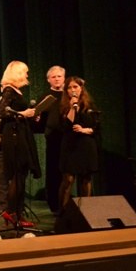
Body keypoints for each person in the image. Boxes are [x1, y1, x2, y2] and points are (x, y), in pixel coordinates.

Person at [0, 60, 41, 228]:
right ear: (17, 73)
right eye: (24, 72)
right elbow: (2, 112)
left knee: (20, 176)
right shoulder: (9, 90)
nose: (27, 75)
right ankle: (12, 212)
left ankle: (16, 214)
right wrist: (23, 113)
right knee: (18, 176)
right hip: (13, 137)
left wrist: (30, 116)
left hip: (20, 134)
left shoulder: (15, 91)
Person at [58, 76, 100, 211]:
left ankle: (85, 211)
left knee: (86, 179)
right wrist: (72, 108)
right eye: (69, 88)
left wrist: (85, 130)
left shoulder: (90, 106)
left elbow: (97, 127)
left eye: (75, 87)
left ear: (81, 88)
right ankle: (63, 212)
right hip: (70, 146)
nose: (72, 90)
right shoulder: (64, 106)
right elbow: (65, 126)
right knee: (68, 179)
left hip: (86, 145)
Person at [33, 65, 66, 213]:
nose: (57, 79)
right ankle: (54, 202)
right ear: (48, 80)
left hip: (69, 139)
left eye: (59, 76)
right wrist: (37, 118)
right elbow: (38, 123)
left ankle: (67, 201)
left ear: (64, 78)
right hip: (53, 139)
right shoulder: (46, 97)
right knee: (54, 171)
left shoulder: (69, 95)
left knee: (68, 171)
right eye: (53, 77)